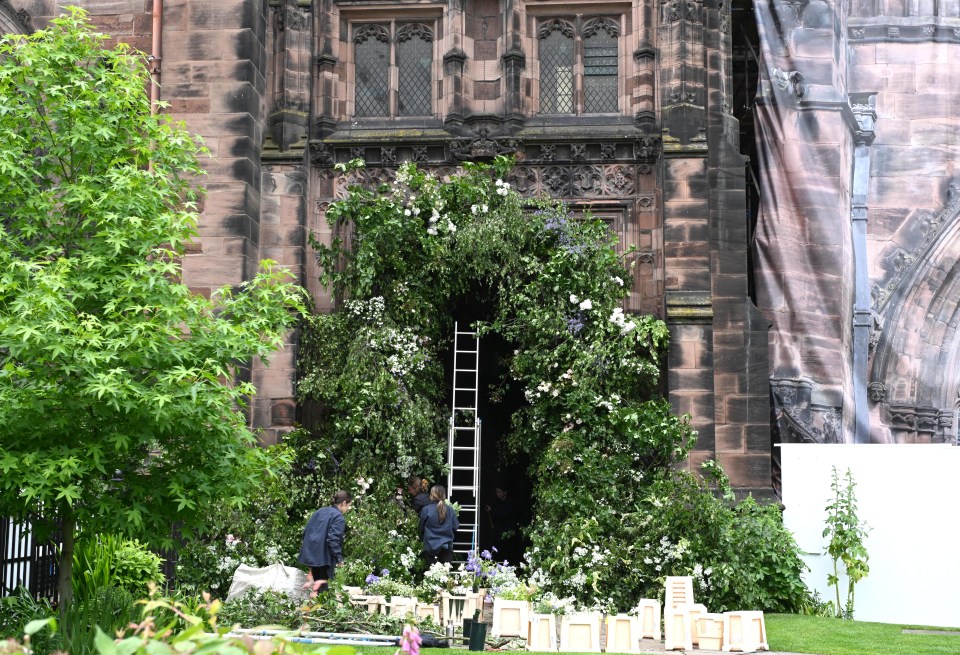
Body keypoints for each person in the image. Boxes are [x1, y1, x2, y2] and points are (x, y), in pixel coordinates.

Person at [298, 489, 353, 596]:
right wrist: (339, 559)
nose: (348, 508)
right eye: (349, 505)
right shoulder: (338, 517)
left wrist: (310, 551)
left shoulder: (319, 511)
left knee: (318, 585)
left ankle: (317, 610)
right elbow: (332, 539)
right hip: (323, 557)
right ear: (344, 503)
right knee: (323, 587)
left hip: (312, 554)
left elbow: (305, 532)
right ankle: (323, 609)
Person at [418, 484, 459, 567]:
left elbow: (420, 529)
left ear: (432, 495)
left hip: (430, 547)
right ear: (444, 495)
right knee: (445, 577)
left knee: (431, 576)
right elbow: (455, 527)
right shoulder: (450, 510)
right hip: (446, 548)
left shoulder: (426, 510)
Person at [485, 485, 519, 562]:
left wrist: (492, 511)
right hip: (498, 532)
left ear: (505, 492)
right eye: (496, 492)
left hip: (508, 532)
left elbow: (503, 514)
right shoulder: (497, 503)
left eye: (499, 492)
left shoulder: (510, 503)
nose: (498, 494)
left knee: (508, 552)